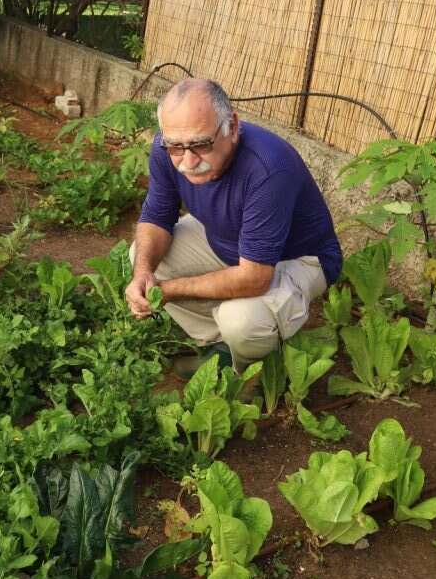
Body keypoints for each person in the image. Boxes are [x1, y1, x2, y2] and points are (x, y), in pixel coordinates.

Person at [125, 79, 342, 373]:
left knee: (240, 320)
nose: (188, 161)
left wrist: (168, 291)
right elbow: (156, 218)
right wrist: (143, 274)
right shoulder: (166, 148)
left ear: (233, 127)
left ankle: (252, 371)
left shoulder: (268, 168)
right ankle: (220, 346)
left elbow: (255, 277)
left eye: (201, 144)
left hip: (296, 259)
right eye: (176, 146)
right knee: (144, 255)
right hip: (230, 241)